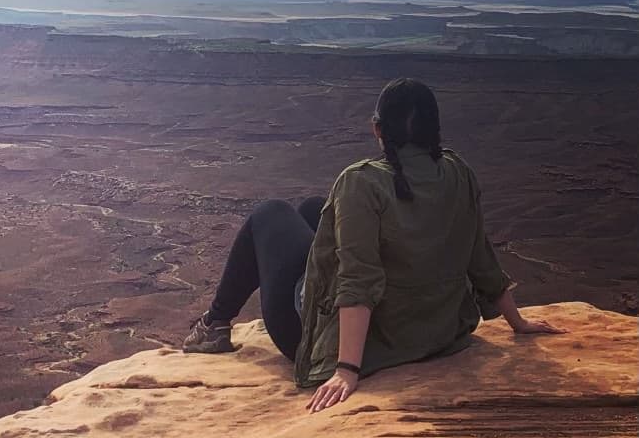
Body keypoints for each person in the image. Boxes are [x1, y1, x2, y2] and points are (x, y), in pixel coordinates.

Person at [181, 77, 561, 412]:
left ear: (377, 129)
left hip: (363, 345)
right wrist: (517, 322)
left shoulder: (361, 182)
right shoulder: (458, 172)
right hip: (439, 334)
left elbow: (358, 280)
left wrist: (347, 369)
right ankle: (216, 325)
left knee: (271, 213)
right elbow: (479, 253)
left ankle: (213, 326)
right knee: (315, 209)